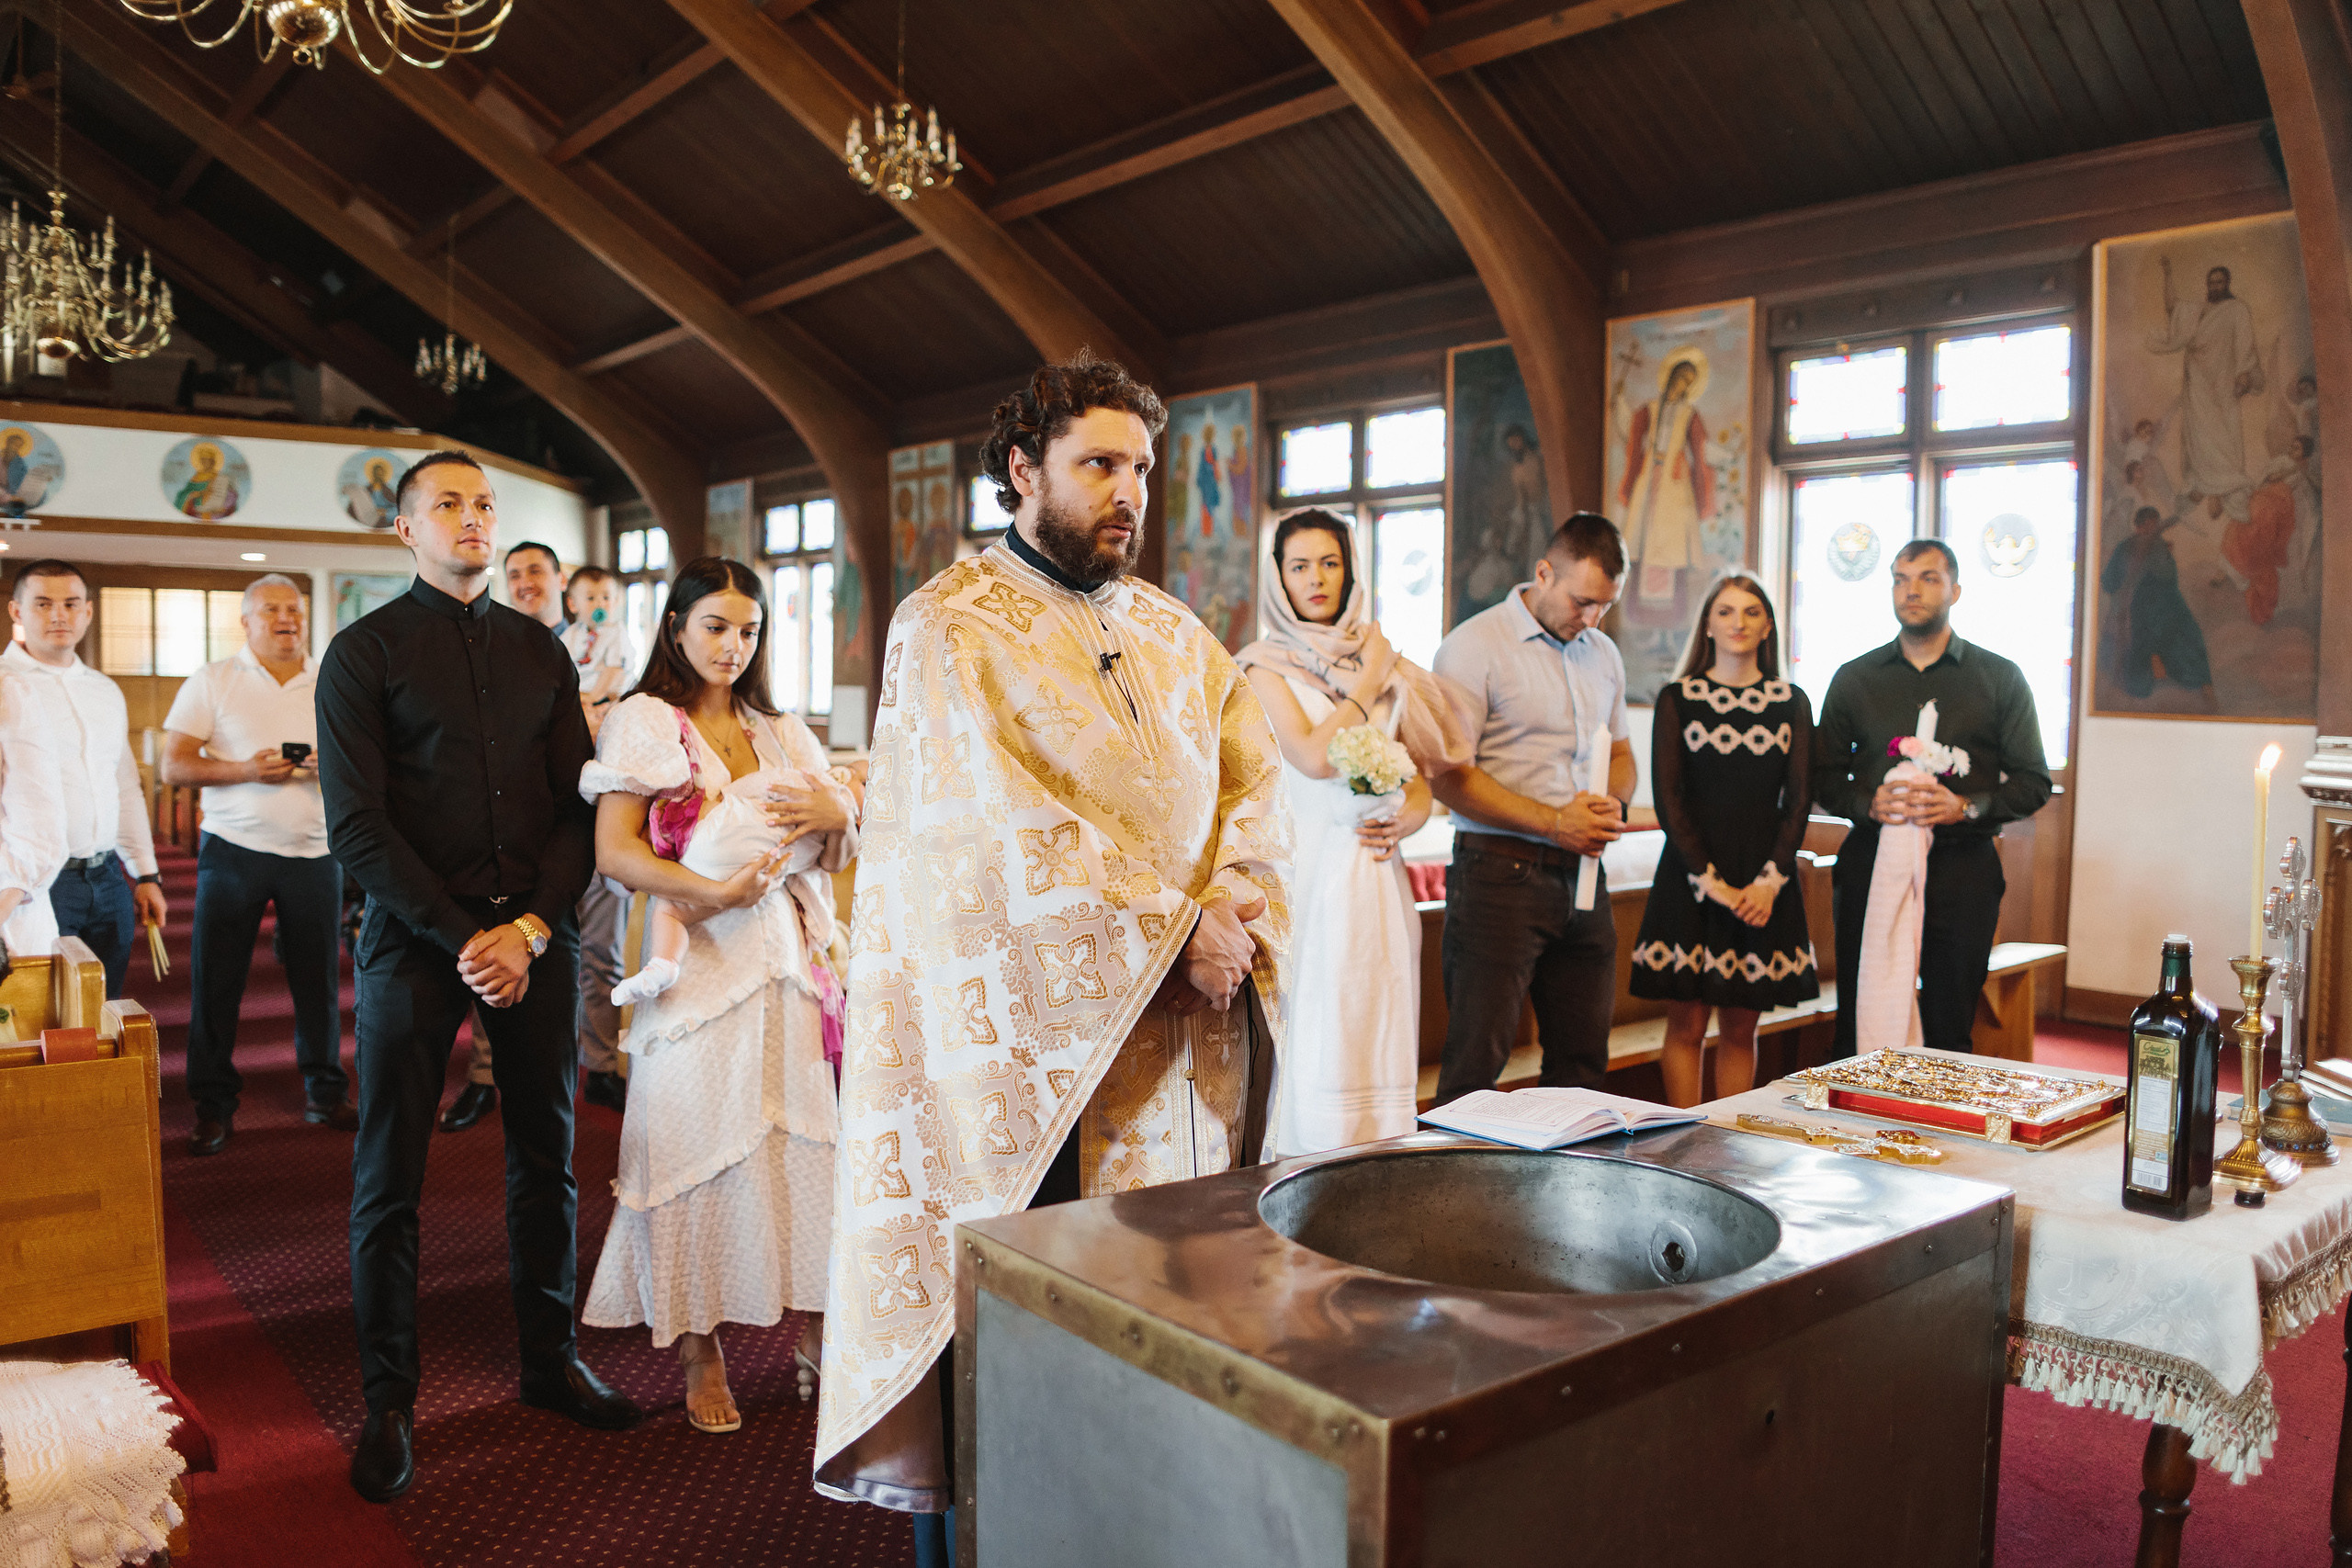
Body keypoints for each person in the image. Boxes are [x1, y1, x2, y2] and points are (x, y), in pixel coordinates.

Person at [812, 353, 1289, 1562]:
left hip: (1180, 1037)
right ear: (1024, 470)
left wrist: (1231, 900)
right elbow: (984, 830)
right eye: (1098, 464)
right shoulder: (947, 628)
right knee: (1013, 1340)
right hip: (1020, 1057)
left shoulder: (1179, 635)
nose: (1127, 488)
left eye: (1139, 465)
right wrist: (1174, 926)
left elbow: (1254, 788)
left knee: (1160, 1319)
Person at [319, 450, 637, 1506]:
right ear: (404, 530)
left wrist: (536, 925)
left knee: (545, 1158)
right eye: (447, 504)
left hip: (531, 934)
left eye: (485, 504)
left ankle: (549, 1363)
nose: (472, 518)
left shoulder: (537, 648)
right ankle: (389, 1399)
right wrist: (466, 935)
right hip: (417, 940)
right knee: (389, 1178)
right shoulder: (364, 653)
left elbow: (572, 808)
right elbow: (357, 828)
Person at [580, 557, 855, 1436]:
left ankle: (819, 1330)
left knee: (800, 1143)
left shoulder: (782, 730)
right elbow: (616, 853)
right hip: (695, 958)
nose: (734, 646)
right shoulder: (644, 721)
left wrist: (836, 820)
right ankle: (701, 1346)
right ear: (675, 628)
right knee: (695, 1141)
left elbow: (841, 845)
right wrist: (708, 892)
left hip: (783, 954)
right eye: (715, 627)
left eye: (749, 630)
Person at [1236, 509, 1469, 1154]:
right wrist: (1369, 679)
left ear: (1350, 571)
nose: (1317, 579)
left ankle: (1377, 1164)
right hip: (1308, 876)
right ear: (1279, 577)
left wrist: (1413, 812)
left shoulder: (1388, 662)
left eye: (1330, 563)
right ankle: (1307, 1165)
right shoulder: (1263, 667)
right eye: (1300, 565)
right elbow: (1312, 754)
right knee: (1321, 1021)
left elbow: (1418, 771)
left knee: (1377, 1011)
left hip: (1374, 878)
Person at [1813, 538, 2052, 1060]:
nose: (1911, 590)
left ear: (1955, 590)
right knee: (1861, 1020)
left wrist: (1965, 807)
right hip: (1872, 864)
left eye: (1927, 578)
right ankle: (1852, 1138)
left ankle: (1943, 1140)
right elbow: (1823, 775)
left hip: (1962, 870)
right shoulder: (1856, 678)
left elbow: (2033, 781)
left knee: (1948, 1024)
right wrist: (1866, 804)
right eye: (1900, 579)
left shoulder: (1998, 677)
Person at [1425, 514, 1634, 1104]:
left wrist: (1610, 804)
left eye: (1604, 606)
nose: (1591, 619)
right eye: (1582, 601)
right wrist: (1555, 822)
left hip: (1585, 877)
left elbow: (1621, 754)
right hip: (1498, 875)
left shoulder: (1603, 654)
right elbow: (1449, 779)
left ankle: (1569, 1195)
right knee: (1475, 1066)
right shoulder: (1473, 647)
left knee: (1584, 1062)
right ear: (1544, 573)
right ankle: (1459, 1196)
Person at [163, 574, 354, 1156]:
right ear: (245, 622)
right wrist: (246, 770)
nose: (285, 618)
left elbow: (372, 761)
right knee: (217, 982)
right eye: (270, 610)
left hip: (315, 853)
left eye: (293, 609)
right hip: (233, 851)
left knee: (318, 982)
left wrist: (334, 768)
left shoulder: (332, 679)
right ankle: (213, 1105)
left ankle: (325, 1091)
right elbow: (175, 766)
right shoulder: (214, 678)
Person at [445, 541, 632, 1131]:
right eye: (516, 572)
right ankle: (483, 1078)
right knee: (494, 947)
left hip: (593, 822)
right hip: (518, 833)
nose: (526, 581)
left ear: (562, 582)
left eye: (538, 571)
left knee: (601, 954)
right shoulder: (488, 644)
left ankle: (601, 1066)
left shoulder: (603, 646)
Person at [1630, 575, 1818, 1107]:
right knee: (1686, 1028)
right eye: (1727, 611)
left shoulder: (1791, 702)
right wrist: (1706, 879)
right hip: (1693, 878)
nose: (1739, 622)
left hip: (1764, 882)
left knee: (1740, 1029)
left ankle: (1726, 1144)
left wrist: (1770, 882)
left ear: (1768, 627)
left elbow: (1800, 800)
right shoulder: (1678, 699)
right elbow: (1670, 800)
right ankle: (1684, 1143)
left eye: (1752, 612)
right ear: (1707, 625)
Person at [2, 560, 167, 997]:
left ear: (88, 613)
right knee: (42, 1017)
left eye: (71, 604)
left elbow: (124, 786)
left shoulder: (104, 690)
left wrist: (146, 873)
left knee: (101, 1008)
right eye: (43, 603)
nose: (59, 615)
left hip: (107, 876)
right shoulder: (5, 687)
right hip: (38, 885)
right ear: (16, 611)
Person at [2147, 259, 2261, 513]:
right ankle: (2203, 483)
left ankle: (2225, 484)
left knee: (2223, 431)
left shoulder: (2236, 309)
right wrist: (2167, 274)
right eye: (2211, 282)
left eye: (2219, 282)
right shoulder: (2197, 311)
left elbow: (2245, 341)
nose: (2215, 286)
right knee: (2197, 431)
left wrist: (2243, 374)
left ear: (2227, 283)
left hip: (2222, 381)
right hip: (2197, 380)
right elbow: (2172, 308)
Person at [2101, 504, 2215, 708]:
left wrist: (2159, 554)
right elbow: (2110, 581)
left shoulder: (2159, 546)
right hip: (2140, 607)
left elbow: (2169, 576)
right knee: (2138, 642)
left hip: (2168, 605)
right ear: (2139, 527)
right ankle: (2137, 688)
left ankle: (2200, 683)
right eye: (2148, 525)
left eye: (2155, 525)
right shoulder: (2126, 548)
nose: (2152, 529)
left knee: (2190, 635)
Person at [560, 566, 635, 712]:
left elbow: (614, 671)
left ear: (616, 601)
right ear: (573, 604)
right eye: (591, 598)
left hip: (607, 697)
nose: (600, 604)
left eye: (606, 598)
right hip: (579, 697)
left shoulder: (616, 633)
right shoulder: (572, 633)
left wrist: (592, 698)